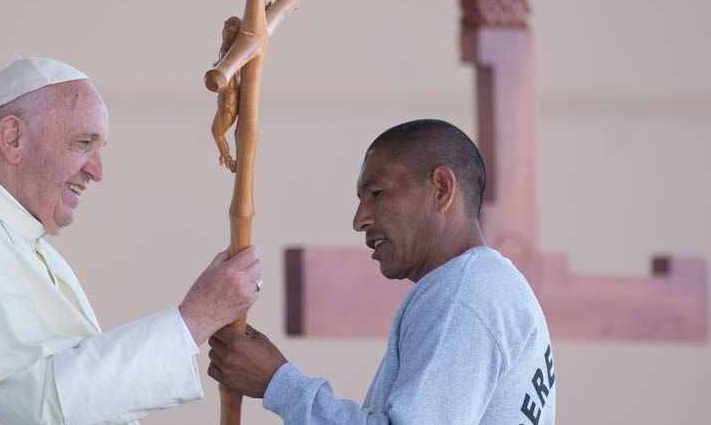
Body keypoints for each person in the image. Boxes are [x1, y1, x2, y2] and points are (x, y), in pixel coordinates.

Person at [0, 57, 263, 425]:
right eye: (83, 143)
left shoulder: (3, 232)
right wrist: (195, 320)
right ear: (13, 137)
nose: (97, 170)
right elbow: (48, 403)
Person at [208, 119, 556, 425]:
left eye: (377, 194)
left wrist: (277, 383)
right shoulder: (488, 288)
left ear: (441, 189)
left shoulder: (463, 295)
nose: (360, 220)